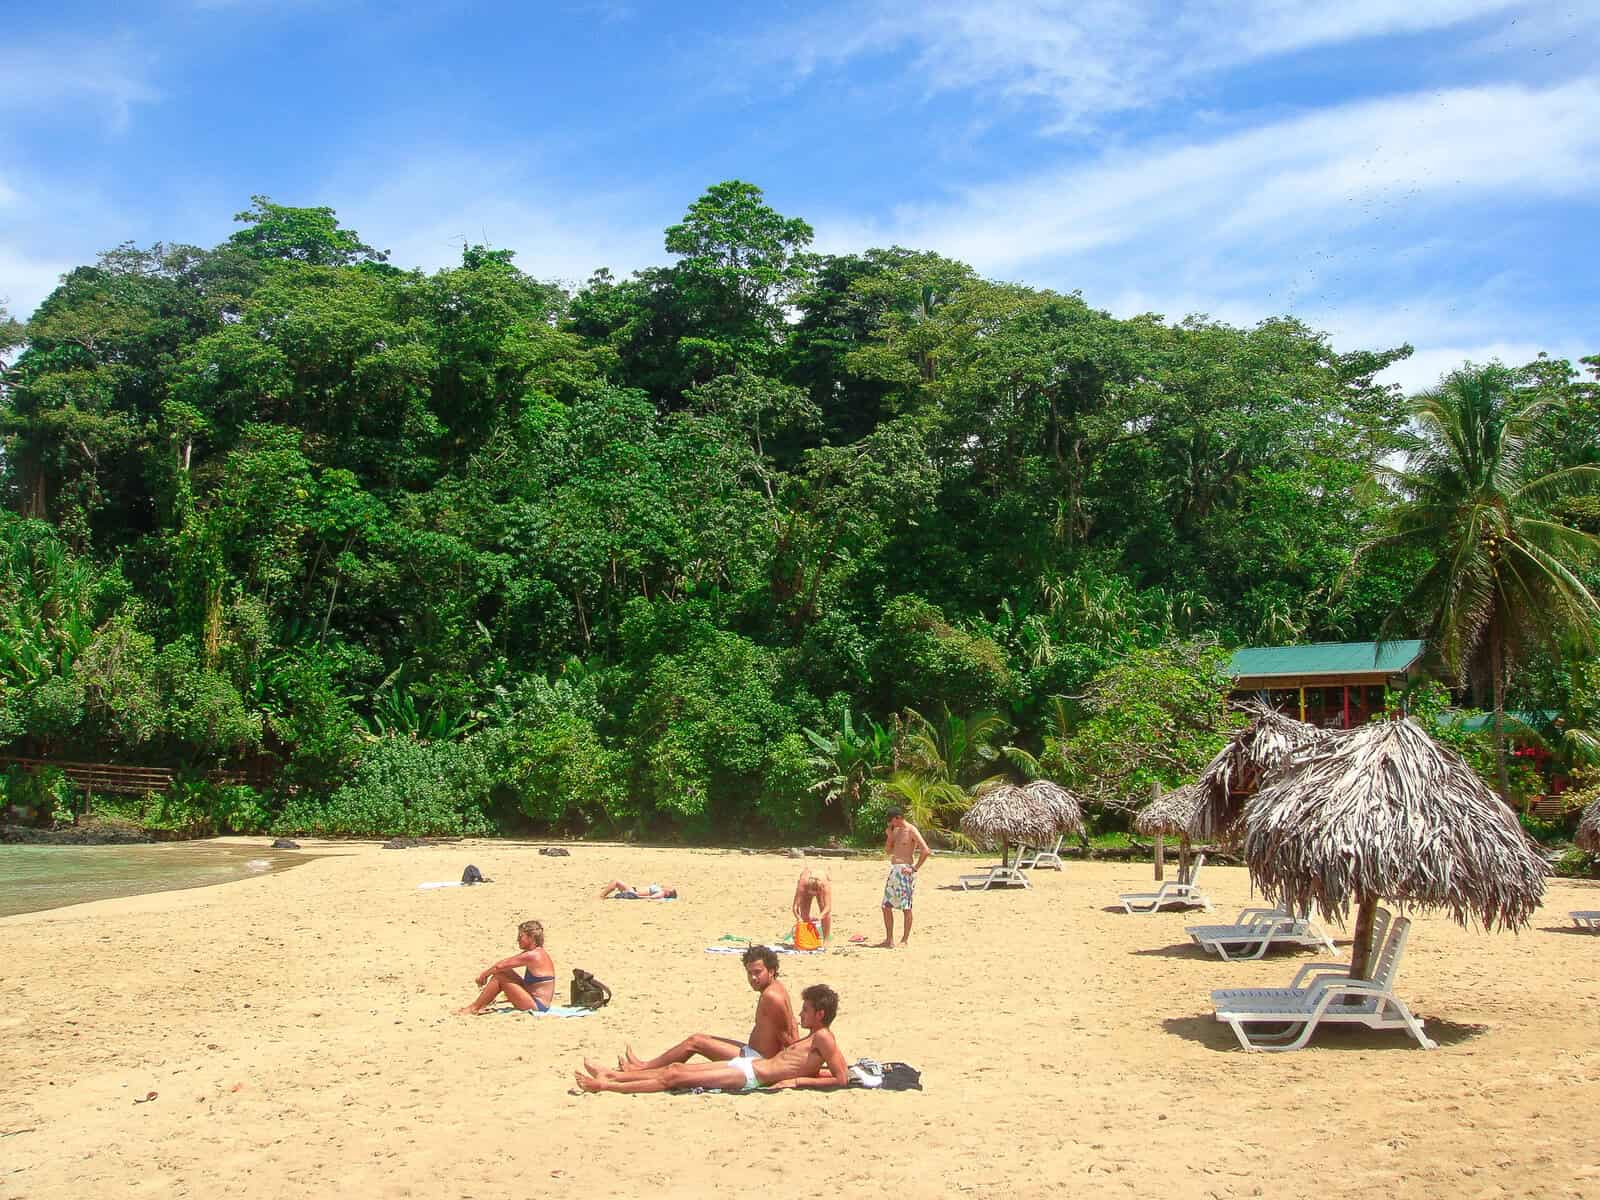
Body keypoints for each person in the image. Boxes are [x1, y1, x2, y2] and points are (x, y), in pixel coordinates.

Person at [577, 984, 846, 1094]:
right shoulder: (815, 1038)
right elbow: (819, 1070)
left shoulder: (824, 1039)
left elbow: (841, 1077)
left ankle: (604, 1086)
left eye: (807, 1010)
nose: (801, 1013)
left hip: (752, 1078)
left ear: (820, 1014)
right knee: (675, 1070)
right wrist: (807, 1075)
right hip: (750, 1068)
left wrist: (796, 1081)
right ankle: (612, 1075)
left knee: (674, 1078)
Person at [615, 946, 797, 1071]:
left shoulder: (771, 997)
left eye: (758, 972)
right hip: (754, 1053)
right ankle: (644, 1066)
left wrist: (790, 1067)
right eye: (749, 973)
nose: (753, 978)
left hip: (757, 1061)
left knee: (695, 1042)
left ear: (771, 971)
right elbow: (792, 1026)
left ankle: (644, 1068)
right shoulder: (776, 988)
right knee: (703, 1038)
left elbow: (788, 1037)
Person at [458, 919, 555, 1014]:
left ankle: (474, 1008)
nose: (517, 940)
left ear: (531, 938)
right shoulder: (536, 952)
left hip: (537, 1006)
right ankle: (483, 1003)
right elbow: (504, 965)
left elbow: (499, 966)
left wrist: (483, 976)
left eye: (521, 936)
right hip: (534, 1000)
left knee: (500, 977)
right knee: (505, 971)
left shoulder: (533, 955)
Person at [876, 806, 930, 948]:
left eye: (892, 821)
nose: (891, 824)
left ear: (898, 818)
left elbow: (926, 850)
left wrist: (914, 868)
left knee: (906, 907)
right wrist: (889, 837)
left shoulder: (911, 830)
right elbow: (888, 851)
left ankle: (905, 940)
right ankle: (889, 939)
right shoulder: (895, 831)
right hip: (894, 870)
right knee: (886, 906)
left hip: (906, 871)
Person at [791, 865, 832, 943]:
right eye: (811, 893)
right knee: (804, 914)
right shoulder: (802, 885)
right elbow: (795, 907)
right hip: (806, 884)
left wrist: (820, 917)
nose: (813, 895)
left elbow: (828, 907)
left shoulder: (825, 886)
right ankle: (807, 938)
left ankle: (826, 939)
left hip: (822, 879)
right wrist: (798, 918)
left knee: (825, 912)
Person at [598, 880, 678, 899]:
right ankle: (602, 896)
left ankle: (601, 896)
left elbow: (652, 897)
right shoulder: (661, 890)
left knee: (616, 882)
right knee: (616, 883)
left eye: (669, 889)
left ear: (668, 893)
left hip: (634, 893)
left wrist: (637, 896)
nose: (667, 887)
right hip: (633, 891)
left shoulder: (661, 893)